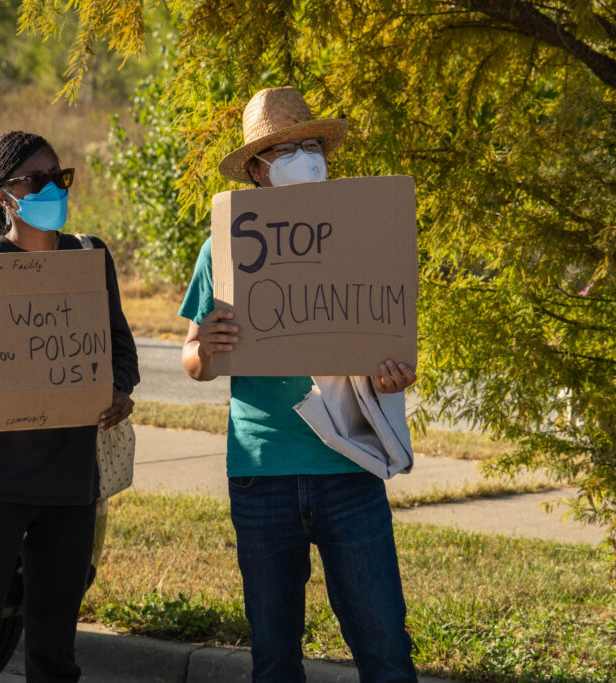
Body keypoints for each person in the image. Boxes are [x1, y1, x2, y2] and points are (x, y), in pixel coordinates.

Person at [179, 87, 418, 682]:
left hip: (350, 470)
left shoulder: (363, 239)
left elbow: (388, 343)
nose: (304, 159)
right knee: (275, 658)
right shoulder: (224, 246)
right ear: (258, 170)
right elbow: (193, 358)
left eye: (311, 146)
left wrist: (393, 376)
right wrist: (204, 349)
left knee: (387, 652)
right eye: (283, 151)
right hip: (262, 475)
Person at [0, 130, 139, 683]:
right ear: (0, 195)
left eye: (58, 177)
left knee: (55, 653)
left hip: (70, 485)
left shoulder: (91, 257)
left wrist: (119, 392)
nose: (52, 188)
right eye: (35, 180)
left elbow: (120, 347)